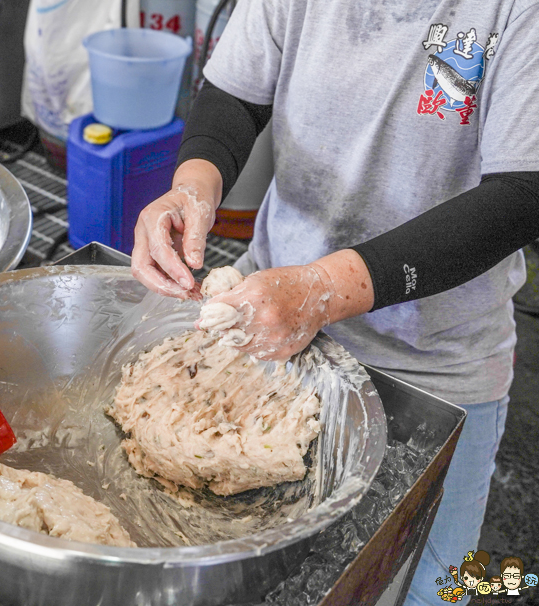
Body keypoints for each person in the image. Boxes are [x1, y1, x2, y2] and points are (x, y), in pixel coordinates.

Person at [129, 2, 539, 605]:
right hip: (263, 330)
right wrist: (192, 186)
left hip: (433, 363)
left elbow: (522, 194)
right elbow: (235, 95)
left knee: (434, 587)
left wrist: (324, 287)